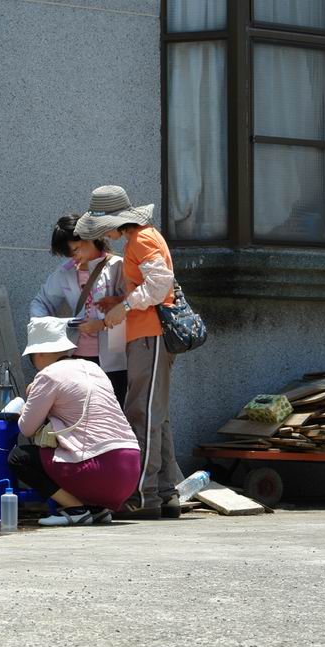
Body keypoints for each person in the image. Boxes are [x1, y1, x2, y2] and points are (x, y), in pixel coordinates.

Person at [76, 185, 182, 520]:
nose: (103, 233)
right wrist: (120, 304)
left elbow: (160, 285)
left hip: (150, 337)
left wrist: (124, 305)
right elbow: (153, 286)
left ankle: (141, 495)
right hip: (148, 337)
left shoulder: (142, 240)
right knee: (156, 416)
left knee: (142, 413)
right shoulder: (142, 239)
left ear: (113, 221)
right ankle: (165, 493)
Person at [8, 317, 140, 526]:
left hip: (99, 471)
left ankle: (75, 509)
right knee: (73, 449)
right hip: (130, 470)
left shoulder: (48, 375)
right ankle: (96, 509)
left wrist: (25, 406)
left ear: (39, 353)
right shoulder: (94, 369)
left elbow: (26, 428)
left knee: (19, 458)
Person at [29, 213, 128, 405]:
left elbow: (133, 305)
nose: (75, 258)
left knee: (111, 412)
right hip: (75, 358)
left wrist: (101, 323)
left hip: (113, 361)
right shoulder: (65, 271)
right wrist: (50, 326)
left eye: (76, 250)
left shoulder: (117, 266)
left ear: (89, 237)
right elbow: (40, 303)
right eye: (70, 254)